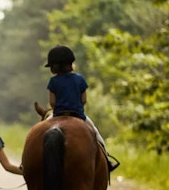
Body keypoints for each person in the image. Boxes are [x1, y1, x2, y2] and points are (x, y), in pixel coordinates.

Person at [44, 44, 119, 173]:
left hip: (57, 115)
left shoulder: (53, 81)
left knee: (38, 131)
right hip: (78, 115)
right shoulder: (79, 79)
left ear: (54, 66)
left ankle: (25, 163)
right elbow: (84, 100)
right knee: (96, 135)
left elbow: (52, 103)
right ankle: (107, 161)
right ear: (70, 63)